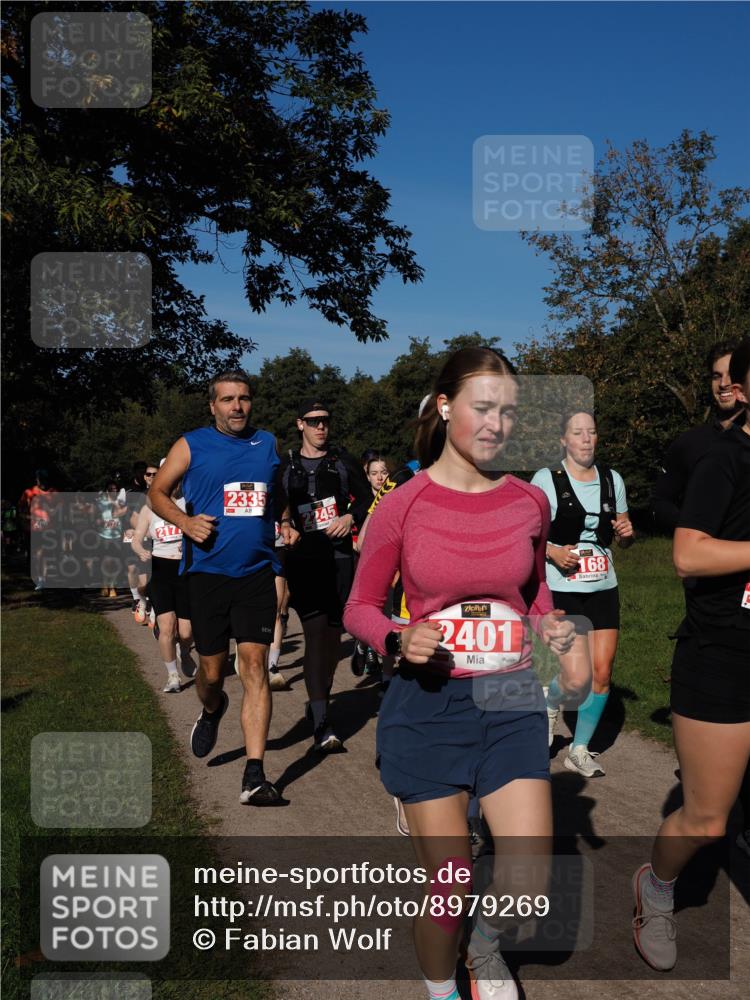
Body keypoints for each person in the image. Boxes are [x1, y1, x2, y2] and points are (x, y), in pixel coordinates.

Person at [344, 347, 576, 1000]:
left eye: (508, 411)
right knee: (448, 885)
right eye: (483, 407)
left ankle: (483, 939)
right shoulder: (401, 506)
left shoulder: (529, 501)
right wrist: (397, 636)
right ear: (445, 408)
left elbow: (532, 594)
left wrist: (549, 627)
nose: (497, 424)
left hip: (509, 697)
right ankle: (442, 989)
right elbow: (359, 607)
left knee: (528, 879)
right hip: (428, 704)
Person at [632, 338, 750, 972]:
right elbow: (688, 554)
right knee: (707, 817)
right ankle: (657, 886)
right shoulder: (723, 459)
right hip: (724, 654)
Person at [149, 369, 298, 806]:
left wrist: (285, 521)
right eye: (228, 399)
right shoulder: (191, 443)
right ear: (212, 405)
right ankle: (213, 708)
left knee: (253, 667)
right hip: (207, 574)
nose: (238, 407)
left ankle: (255, 774)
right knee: (213, 673)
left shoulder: (267, 443)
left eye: (244, 399)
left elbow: (276, 493)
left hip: (255, 571)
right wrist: (184, 522)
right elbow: (157, 492)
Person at [531, 412, 634, 777]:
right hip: (562, 588)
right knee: (576, 678)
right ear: (564, 440)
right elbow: (529, 535)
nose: (586, 439)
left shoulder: (612, 479)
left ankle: (579, 748)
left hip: (604, 585)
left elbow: (624, 533)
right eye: (578, 433)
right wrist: (554, 552)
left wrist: (625, 532)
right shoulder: (545, 479)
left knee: (602, 673)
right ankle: (549, 703)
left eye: (592, 431)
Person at [280, 399, 371, 753]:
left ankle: (321, 696)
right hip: (304, 560)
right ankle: (321, 719)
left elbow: (367, 500)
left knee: (333, 639)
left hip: (339, 559)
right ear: (300, 423)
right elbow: (277, 504)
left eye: (326, 421)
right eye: (314, 421)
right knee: (315, 634)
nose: (321, 427)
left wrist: (350, 518)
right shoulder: (286, 465)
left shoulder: (342, 461)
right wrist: (286, 522)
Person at [651, 340, 745, 531]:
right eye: (716, 376)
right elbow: (659, 503)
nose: (723, 384)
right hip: (705, 556)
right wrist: (694, 527)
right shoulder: (689, 443)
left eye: (731, 375)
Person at [131, 467, 195, 693]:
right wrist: (140, 550)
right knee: (167, 627)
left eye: (177, 479)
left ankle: (185, 652)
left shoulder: (189, 504)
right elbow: (136, 538)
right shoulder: (150, 508)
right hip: (161, 570)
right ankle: (172, 675)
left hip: (185, 571)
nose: (173, 483)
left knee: (186, 632)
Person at [351, 451, 392, 676]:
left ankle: (387, 678)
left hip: (393, 570)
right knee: (371, 613)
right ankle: (363, 644)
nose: (379, 478)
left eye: (384, 472)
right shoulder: (360, 504)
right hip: (365, 567)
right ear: (367, 476)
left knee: (388, 619)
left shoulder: (398, 498)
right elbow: (354, 541)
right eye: (374, 473)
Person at [119, 461, 158, 622]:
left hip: (161, 541)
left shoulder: (163, 492)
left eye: (154, 474)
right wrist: (133, 528)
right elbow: (121, 513)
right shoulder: (130, 493)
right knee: (137, 574)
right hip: (136, 537)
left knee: (156, 577)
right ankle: (140, 600)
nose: (150, 477)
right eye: (148, 474)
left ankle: (156, 610)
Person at [94, 478, 127, 597]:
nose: (113, 491)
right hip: (104, 535)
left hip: (117, 535)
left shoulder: (120, 502)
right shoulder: (100, 502)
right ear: (106, 490)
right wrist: (97, 521)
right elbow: (94, 516)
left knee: (115, 562)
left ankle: (112, 585)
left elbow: (124, 514)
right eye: (110, 489)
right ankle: (104, 583)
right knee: (106, 562)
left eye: (115, 489)